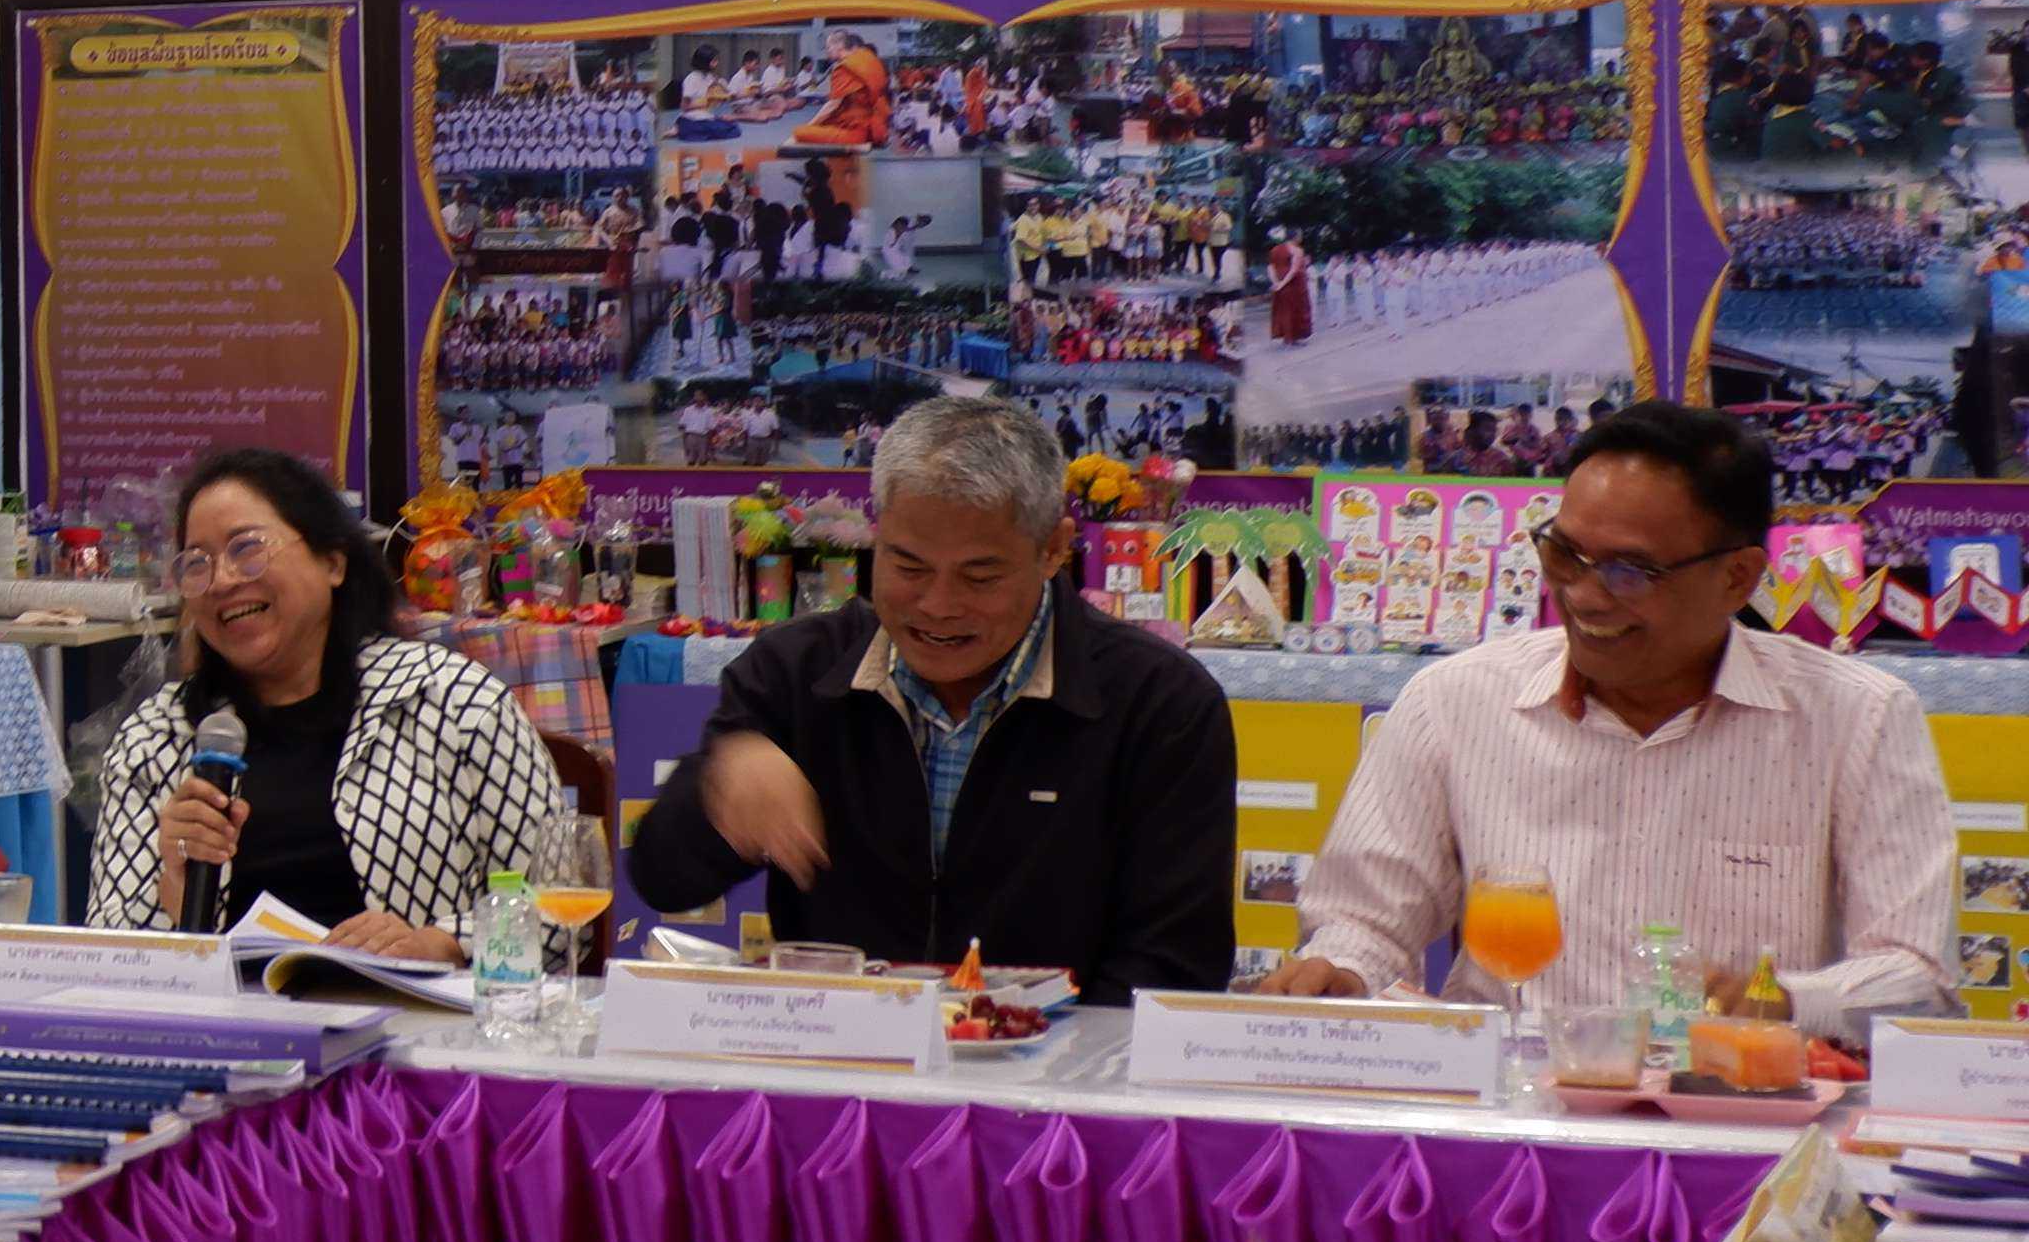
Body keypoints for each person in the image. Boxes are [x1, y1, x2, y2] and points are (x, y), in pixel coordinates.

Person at [1270, 400, 1954, 1028]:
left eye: (1630, 571)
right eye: (1564, 554)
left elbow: (1919, 978)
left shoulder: (1858, 719)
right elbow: (1365, 920)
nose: (1584, 597)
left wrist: (1780, 1002)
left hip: (1742, 1099)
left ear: (1738, 578)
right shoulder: (1453, 702)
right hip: (1508, 1100)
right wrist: (1343, 972)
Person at [620, 393, 1237, 997]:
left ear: (1054, 549)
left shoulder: (1160, 703)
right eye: (909, 567)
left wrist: (1010, 1039)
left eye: (980, 576)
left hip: (1060, 1058)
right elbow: (662, 880)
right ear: (876, 535)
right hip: (841, 1049)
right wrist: (718, 795)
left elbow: (1175, 969)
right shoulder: (796, 671)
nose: (938, 606)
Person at [79, 447, 565, 956]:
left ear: (332, 561)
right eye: (197, 564)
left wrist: (439, 946)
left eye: (246, 548)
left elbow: (558, 909)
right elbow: (112, 953)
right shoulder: (156, 738)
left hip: (411, 1005)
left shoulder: (453, 701)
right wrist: (176, 894)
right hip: (230, 1005)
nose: (222, 580)